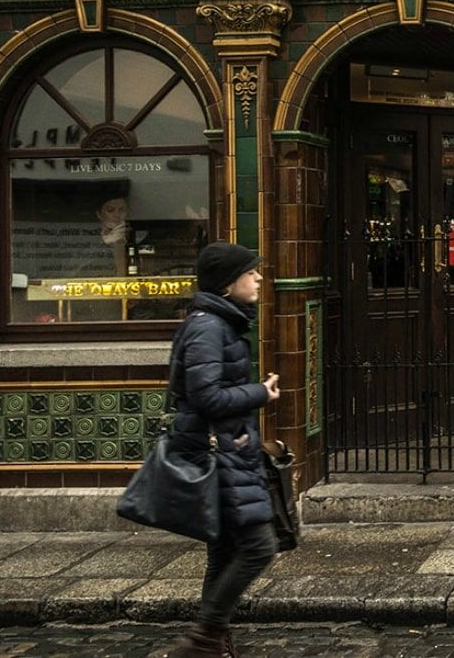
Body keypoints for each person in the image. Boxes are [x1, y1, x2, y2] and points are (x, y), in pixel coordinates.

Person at [170, 242, 281, 657]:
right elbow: (207, 397)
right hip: (214, 455)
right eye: (251, 273)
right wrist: (259, 394)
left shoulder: (220, 323)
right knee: (258, 547)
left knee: (224, 550)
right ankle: (204, 639)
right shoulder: (207, 328)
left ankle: (213, 644)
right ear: (227, 283)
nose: (258, 279)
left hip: (226, 452)